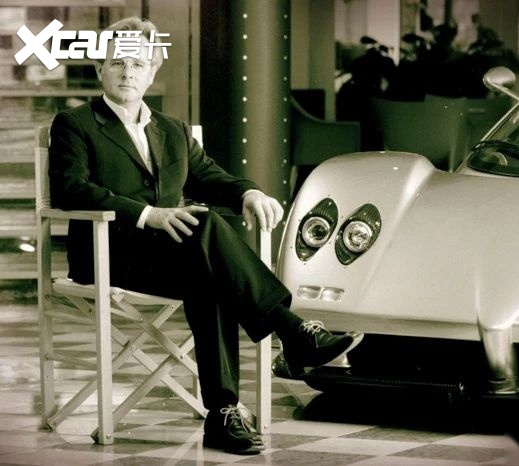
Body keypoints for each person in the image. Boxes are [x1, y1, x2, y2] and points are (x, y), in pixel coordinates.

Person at [48, 17, 363, 456]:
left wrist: (249, 192)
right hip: (108, 253)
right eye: (117, 62)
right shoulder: (74, 123)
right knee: (208, 231)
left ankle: (224, 413)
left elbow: (210, 177)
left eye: (138, 64)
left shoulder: (173, 130)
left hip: (171, 258)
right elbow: (70, 189)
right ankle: (291, 329)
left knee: (210, 276)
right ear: (100, 67)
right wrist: (148, 215)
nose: (127, 72)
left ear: (153, 71)